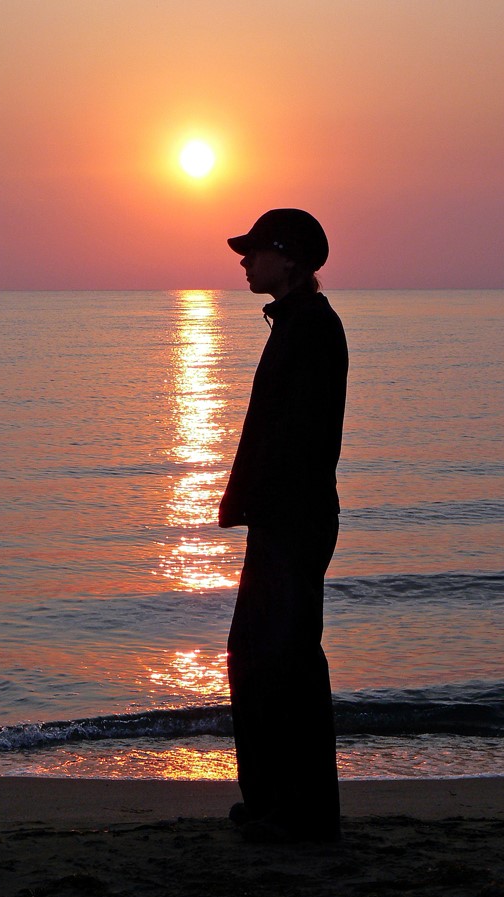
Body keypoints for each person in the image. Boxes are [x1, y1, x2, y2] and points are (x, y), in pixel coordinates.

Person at [219, 208, 348, 843]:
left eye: (256, 250)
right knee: (259, 656)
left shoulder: (312, 327)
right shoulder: (295, 323)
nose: (245, 261)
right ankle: (274, 800)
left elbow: (299, 439)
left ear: (289, 257)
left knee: (284, 660)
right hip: (280, 519)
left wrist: (264, 505)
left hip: (292, 522)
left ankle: (302, 810)